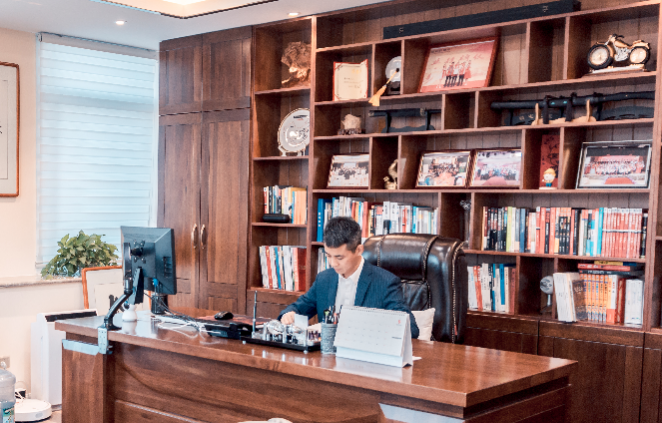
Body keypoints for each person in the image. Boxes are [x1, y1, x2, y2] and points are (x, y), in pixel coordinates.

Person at [279, 216, 420, 338]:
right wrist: (289, 314)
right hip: (326, 355)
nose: (333, 263)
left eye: (339, 257)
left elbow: (411, 329)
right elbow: (299, 307)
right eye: (328, 256)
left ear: (359, 250)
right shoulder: (324, 279)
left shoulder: (386, 282)